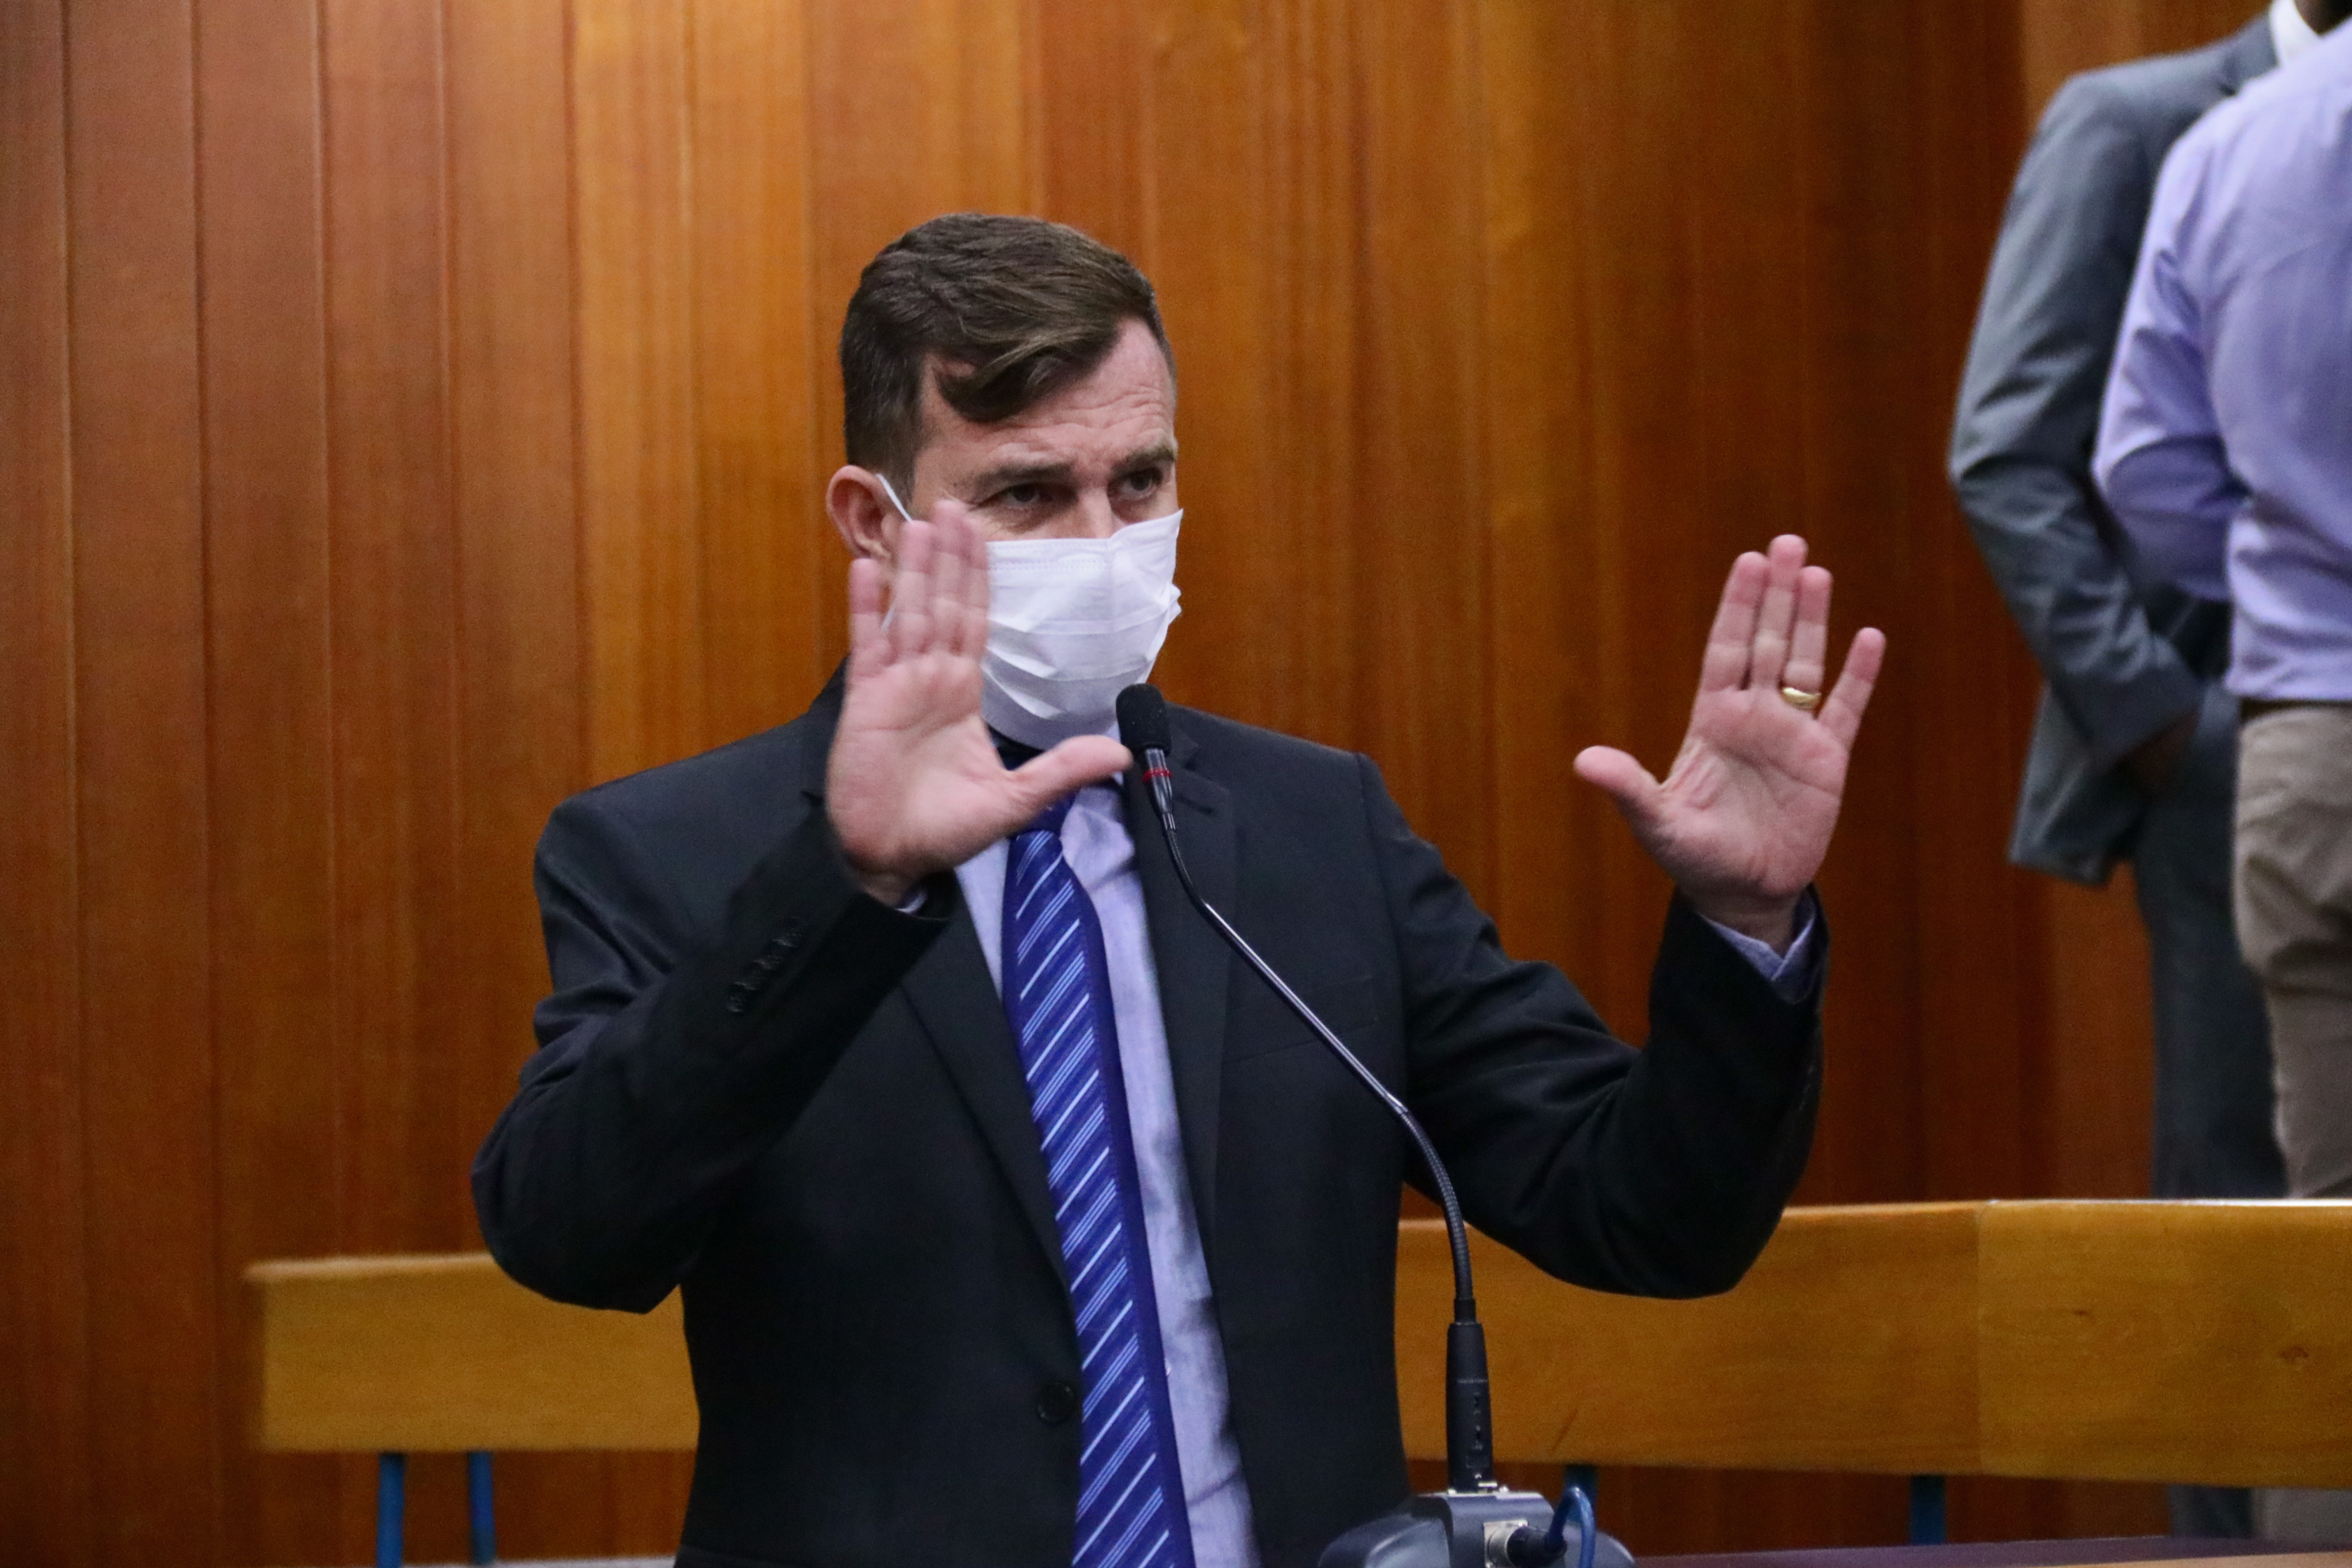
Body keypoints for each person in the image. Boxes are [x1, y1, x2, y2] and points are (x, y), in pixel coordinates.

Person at [475, 214, 1883, 1568]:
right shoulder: (679, 850)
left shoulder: (1312, 829)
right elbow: (573, 1237)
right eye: (1029, 493)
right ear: (876, 522)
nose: (1102, 541)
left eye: (1139, 482)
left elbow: (1646, 1215)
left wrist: (1743, 924)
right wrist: (855, 883)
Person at [1946, 6, 2315, 1532]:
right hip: (2238, 752)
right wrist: (2175, 725)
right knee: (2241, 1200)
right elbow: (2008, 452)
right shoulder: (2136, 124)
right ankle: (2230, 1557)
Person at [2096, 6, 2352, 1544]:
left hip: (2311, 750)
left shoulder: (2230, 148)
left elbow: (2145, 473)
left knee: (2336, 1261)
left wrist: (2293, 579)